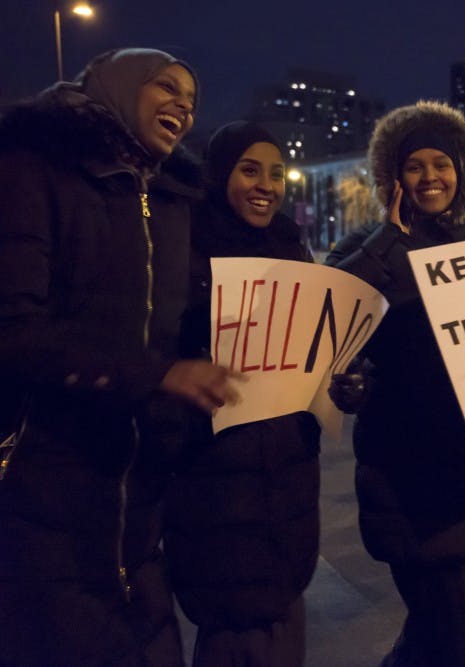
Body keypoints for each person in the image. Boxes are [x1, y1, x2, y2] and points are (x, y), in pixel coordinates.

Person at [0, 48, 236, 667]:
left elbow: (186, 323)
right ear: (117, 85)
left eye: (192, 99)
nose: (183, 106)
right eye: (167, 87)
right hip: (49, 485)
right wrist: (157, 376)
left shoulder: (174, 199)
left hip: (142, 491)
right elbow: (14, 328)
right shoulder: (35, 167)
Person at [330, 101, 465, 667]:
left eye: (441, 163)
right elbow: (331, 314)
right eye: (414, 166)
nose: (429, 178)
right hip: (414, 477)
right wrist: (389, 241)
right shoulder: (367, 250)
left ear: (462, 170)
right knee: (464, 645)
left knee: (439, 637)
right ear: (392, 176)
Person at [163, 121, 319, 666]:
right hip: (216, 480)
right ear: (217, 174)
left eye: (276, 174)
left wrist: (340, 384)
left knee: (283, 624)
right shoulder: (183, 251)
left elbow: (313, 351)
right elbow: (154, 356)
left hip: (289, 476)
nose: (267, 185)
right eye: (249, 170)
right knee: (237, 635)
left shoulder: (292, 250)